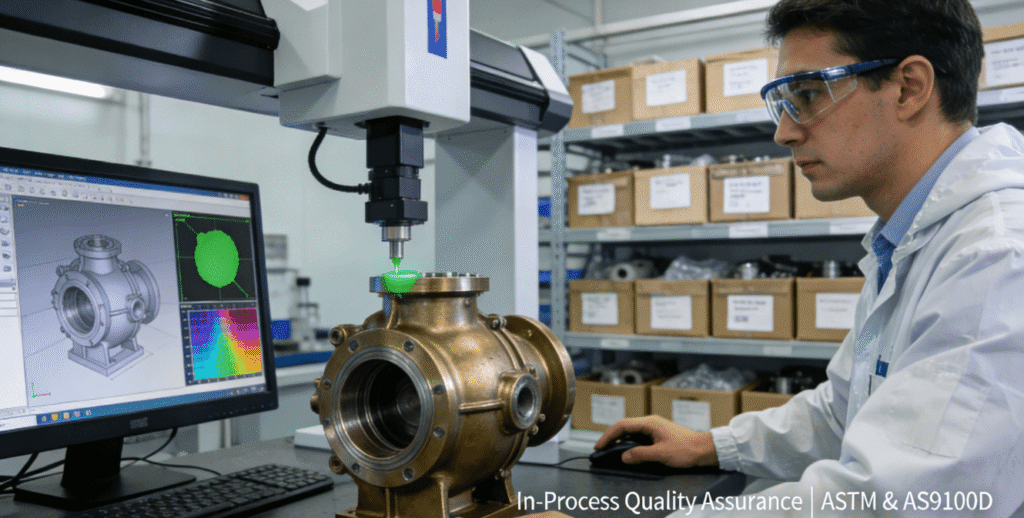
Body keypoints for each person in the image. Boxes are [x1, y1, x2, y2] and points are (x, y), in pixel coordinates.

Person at [525, 0, 1024, 516]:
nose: (784, 131)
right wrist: (713, 445)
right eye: (782, 102)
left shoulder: (995, 256)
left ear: (909, 87)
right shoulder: (907, 240)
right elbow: (842, 412)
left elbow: (892, 502)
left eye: (808, 94)